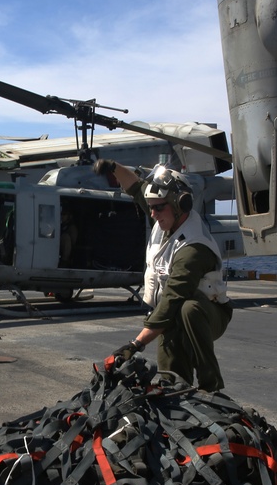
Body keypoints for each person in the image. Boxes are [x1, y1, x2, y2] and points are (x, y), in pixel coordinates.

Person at [94, 159, 233, 392]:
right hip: (175, 311)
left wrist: (135, 345)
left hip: (210, 313)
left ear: (181, 205)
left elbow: (172, 300)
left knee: (187, 309)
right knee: (170, 360)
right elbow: (135, 187)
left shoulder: (193, 248)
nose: (152, 213)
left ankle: (211, 387)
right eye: (151, 207)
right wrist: (113, 167)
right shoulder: (165, 219)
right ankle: (176, 387)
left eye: (158, 207)